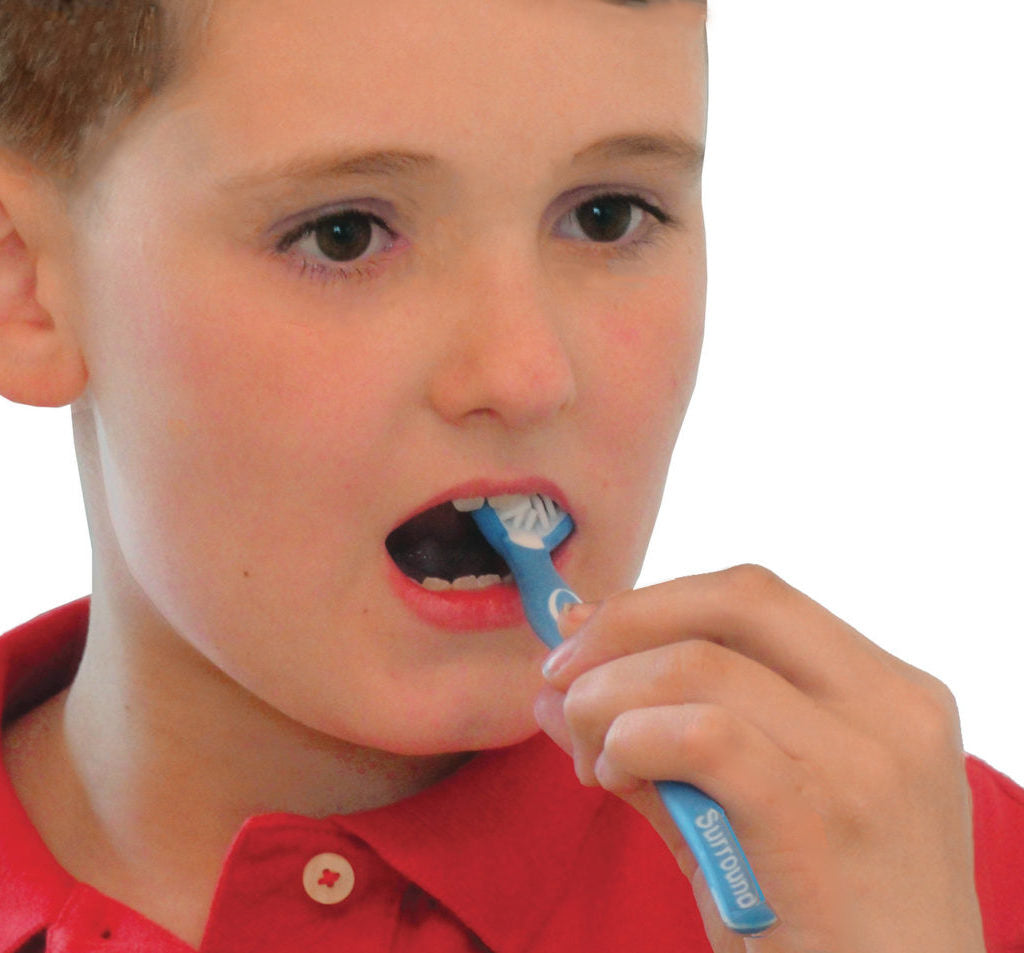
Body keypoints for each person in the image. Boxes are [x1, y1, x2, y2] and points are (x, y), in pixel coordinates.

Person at [0, 1, 1021, 951]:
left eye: (607, 216)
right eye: (344, 233)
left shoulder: (940, 876)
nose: (527, 373)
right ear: (24, 284)